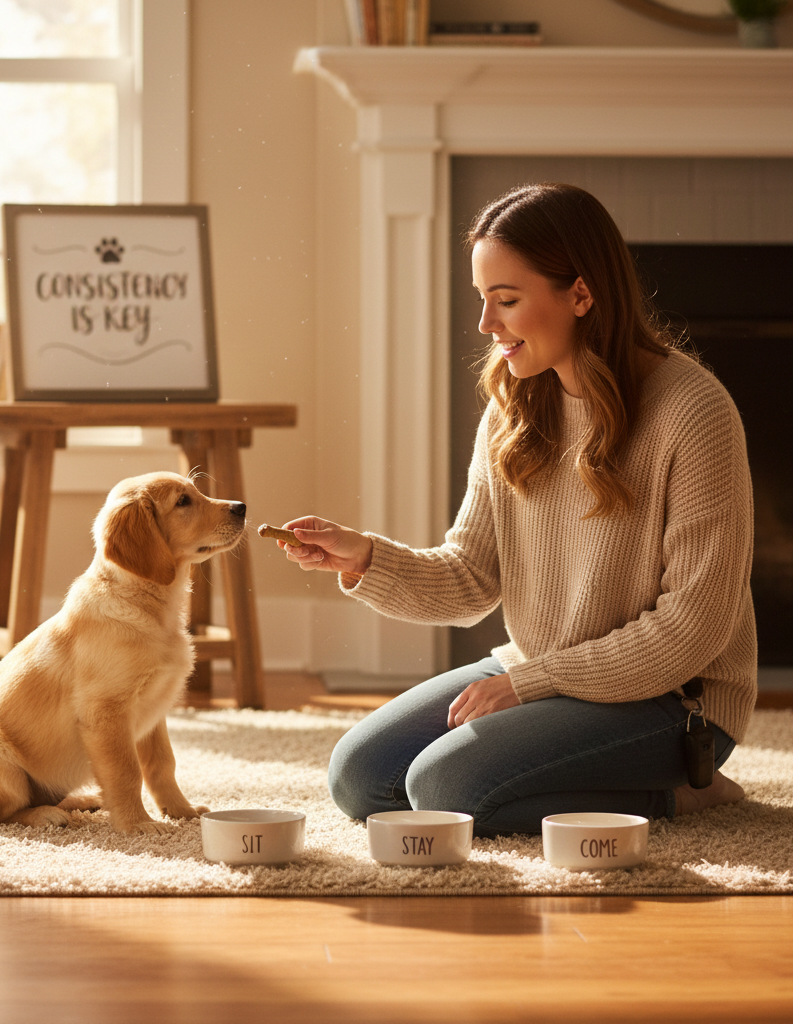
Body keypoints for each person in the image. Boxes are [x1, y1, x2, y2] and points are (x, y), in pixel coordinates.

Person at [274, 182, 755, 838]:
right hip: (546, 672)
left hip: (674, 702)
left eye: (506, 301)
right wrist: (365, 558)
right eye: (482, 300)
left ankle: (679, 795)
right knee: (361, 776)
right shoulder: (515, 404)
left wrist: (531, 684)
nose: (485, 325)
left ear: (581, 295)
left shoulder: (696, 414)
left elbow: (689, 631)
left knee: (444, 785)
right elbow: (470, 578)